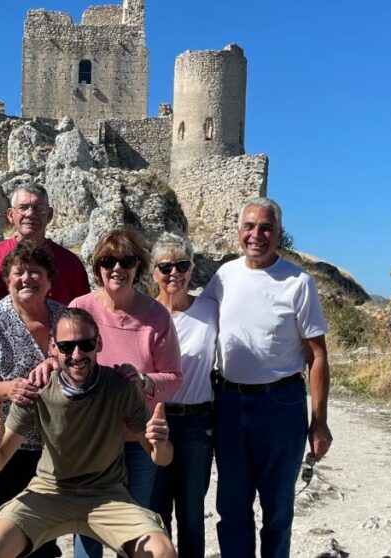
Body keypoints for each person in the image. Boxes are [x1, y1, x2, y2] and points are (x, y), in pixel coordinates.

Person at [0, 308, 178, 558]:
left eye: (86, 344)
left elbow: (162, 458)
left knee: (161, 552)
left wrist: (160, 442)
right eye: (66, 347)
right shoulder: (36, 391)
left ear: (99, 343)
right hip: (49, 491)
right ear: (53, 347)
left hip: (107, 494)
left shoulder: (120, 388)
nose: (77, 355)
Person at [201, 197, 332, 558]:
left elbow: (317, 355)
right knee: (232, 508)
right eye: (249, 226)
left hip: (281, 405)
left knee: (277, 511)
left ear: (278, 234)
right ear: (238, 231)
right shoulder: (224, 275)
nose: (256, 234)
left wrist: (319, 423)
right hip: (228, 402)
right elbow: (192, 319)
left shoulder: (298, 282)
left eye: (266, 228)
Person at [69, 227, 182, 558]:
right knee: (87, 527)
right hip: (90, 438)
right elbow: (59, 357)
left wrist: (145, 382)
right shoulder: (81, 307)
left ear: (138, 267)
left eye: (126, 260)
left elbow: (174, 377)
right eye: (108, 260)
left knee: (133, 529)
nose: (116, 268)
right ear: (98, 267)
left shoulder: (156, 316)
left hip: (138, 440)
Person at [0, 241, 64, 557]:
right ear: (7, 280)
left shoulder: (63, 317)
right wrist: (11, 388)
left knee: (42, 523)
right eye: (19, 273)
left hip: (48, 439)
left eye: (36, 273)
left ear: (49, 280)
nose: (27, 279)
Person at [148, 233, 217, 558]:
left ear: (191, 270)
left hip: (195, 424)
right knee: (155, 516)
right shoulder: (144, 315)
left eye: (182, 265)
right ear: (153, 272)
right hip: (150, 425)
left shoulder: (210, 310)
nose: (173, 272)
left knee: (191, 517)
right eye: (165, 266)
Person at [0, 183, 90, 304]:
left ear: (49, 215)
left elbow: (83, 311)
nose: (30, 214)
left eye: (38, 208)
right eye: (23, 207)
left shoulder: (70, 263)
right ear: (11, 215)